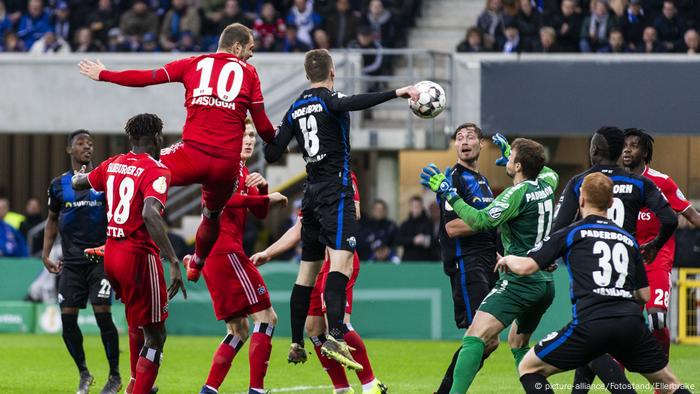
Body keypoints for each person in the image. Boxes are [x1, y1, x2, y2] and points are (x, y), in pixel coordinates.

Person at [78, 23, 276, 283]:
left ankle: (116, 241)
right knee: (211, 214)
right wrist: (279, 142)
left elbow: (146, 78)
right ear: (237, 46)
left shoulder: (194, 63)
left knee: (137, 169)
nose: (251, 55)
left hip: (191, 155)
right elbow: (263, 126)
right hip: (226, 164)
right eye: (250, 48)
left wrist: (104, 74)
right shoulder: (250, 74)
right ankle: (197, 263)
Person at [264, 48, 418, 369]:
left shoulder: (294, 109)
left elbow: (272, 154)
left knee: (307, 270)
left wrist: (268, 126)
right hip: (337, 192)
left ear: (307, 75)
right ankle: (335, 334)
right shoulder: (329, 98)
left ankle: (295, 342)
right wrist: (397, 92)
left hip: (311, 195)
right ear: (332, 72)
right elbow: (352, 102)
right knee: (341, 264)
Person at [497, 173, 692, 394]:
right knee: (669, 384)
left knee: (528, 367)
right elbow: (644, 295)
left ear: (581, 201)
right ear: (610, 203)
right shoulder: (628, 239)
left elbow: (526, 267)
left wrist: (507, 259)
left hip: (590, 323)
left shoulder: (572, 233)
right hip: (630, 324)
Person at [420, 135, 559, 393]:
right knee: (517, 344)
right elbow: (546, 169)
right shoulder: (549, 184)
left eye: (512, 157)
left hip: (520, 279)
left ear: (518, 166)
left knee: (475, 336)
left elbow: (481, 221)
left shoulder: (515, 195)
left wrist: (449, 193)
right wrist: (516, 154)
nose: (507, 159)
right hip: (546, 283)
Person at [552, 126, 679, 391]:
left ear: (594, 150)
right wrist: (655, 244)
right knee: (605, 340)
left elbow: (560, 226)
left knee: (591, 336)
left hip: (593, 272)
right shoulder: (640, 183)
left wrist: (555, 254)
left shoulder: (581, 182)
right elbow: (669, 218)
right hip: (627, 273)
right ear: (620, 151)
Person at [72, 114, 186, 394]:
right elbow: (150, 213)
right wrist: (172, 259)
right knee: (157, 334)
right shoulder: (157, 170)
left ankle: (136, 383)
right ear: (158, 138)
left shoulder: (112, 164)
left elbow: (79, 183)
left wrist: (79, 174)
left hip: (112, 254)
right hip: (138, 256)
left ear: (132, 139)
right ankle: (139, 388)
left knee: (138, 322)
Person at [251, 171, 389, 394]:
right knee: (314, 328)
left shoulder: (343, 173)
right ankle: (342, 389)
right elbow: (299, 228)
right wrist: (268, 252)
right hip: (316, 265)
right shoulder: (311, 183)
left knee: (338, 325)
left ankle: (371, 384)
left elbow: (355, 213)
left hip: (338, 261)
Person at [199, 120, 288, 394]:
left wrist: (260, 189)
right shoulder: (223, 165)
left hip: (218, 256)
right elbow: (225, 202)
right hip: (226, 253)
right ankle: (257, 390)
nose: (249, 140)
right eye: (243, 135)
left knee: (238, 330)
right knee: (267, 317)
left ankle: (209, 390)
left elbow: (259, 215)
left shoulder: (242, 170)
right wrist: (266, 198)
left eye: (251, 135)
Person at [41, 129, 121, 394]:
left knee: (103, 315)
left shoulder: (104, 181)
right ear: (69, 150)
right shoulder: (58, 185)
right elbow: (52, 220)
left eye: (90, 143)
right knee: (67, 321)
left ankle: (115, 376)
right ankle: (84, 374)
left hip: (100, 259)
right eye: (80, 143)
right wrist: (46, 253)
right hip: (71, 263)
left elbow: (118, 216)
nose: (87, 147)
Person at [622, 128, 700, 358]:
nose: (627, 149)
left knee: (656, 318)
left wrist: (656, 243)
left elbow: (693, 217)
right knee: (620, 325)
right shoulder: (613, 181)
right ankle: (618, 379)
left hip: (656, 258)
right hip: (625, 260)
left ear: (645, 152)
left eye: (634, 145)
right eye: (625, 144)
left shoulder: (662, 182)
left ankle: (661, 373)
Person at [433, 123, 498, 394]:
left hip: (486, 262)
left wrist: (498, 252)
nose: (464, 141)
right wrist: (492, 218)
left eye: (470, 137)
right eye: (459, 138)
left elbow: (489, 224)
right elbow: (453, 227)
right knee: (482, 337)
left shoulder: (483, 181)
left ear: (481, 144)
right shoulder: (453, 179)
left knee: (487, 338)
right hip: (467, 262)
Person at [397, 195, 434, 261]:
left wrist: (424, 240)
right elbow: (398, 240)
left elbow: (435, 240)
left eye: (418, 206)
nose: (416, 208)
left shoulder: (429, 223)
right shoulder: (405, 224)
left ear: (422, 207)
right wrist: (413, 240)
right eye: (414, 206)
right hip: (408, 259)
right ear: (410, 207)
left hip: (425, 259)